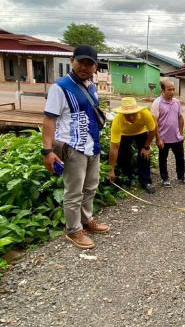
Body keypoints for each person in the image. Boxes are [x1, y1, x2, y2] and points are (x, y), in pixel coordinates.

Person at [42, 45, 110, 250]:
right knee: (74, 192)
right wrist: (47, 151)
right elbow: (49, 120)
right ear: (73, 60)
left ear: (95, 67)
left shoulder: (91, 86)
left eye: (89, 63)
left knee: (90, 187)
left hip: (92, 146)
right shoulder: (60, 87)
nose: (84, 67)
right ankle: (73, 230)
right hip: (72, 148)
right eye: (81, 62)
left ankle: (87, 220)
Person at [108, 97, 157, 194]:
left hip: (141, 132)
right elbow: (114, 148)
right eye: (127, 115)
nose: (131, 118)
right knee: (123, 156)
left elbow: (152, 130)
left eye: (133, 114)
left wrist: (146, 147)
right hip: (124, 134)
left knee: (144, 155)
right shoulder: (117, 121)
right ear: (122, 113)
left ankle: (145, 181)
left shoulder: (145, 113)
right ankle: (127, 179)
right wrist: (111, 169)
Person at [151, 79, 185, 187]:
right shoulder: (157, 103)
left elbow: (180, 118)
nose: (172, 92)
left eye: (173, 89)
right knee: (163, 159)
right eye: (169, 90)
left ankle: (182, 176)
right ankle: (165, 179)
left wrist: (181, 134)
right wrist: (158, 138)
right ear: (163, 90)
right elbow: (154, 123)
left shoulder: (176, 102)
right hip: (163, 138)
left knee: (180, 158)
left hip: (176, 137)